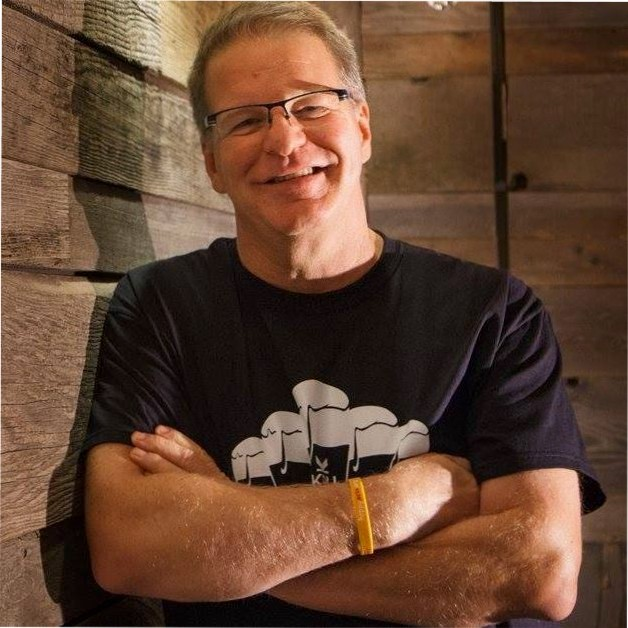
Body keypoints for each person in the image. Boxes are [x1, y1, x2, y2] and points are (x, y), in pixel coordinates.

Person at [83, 3, 605, 626]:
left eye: (311, 106)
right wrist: (389, 506)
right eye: (245, 120)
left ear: (362, 127)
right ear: (212, 162)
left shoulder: (495, 314)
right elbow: (127, 548)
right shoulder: (161, 305)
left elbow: (538, 573)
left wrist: (226, 518)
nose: (285, 141)